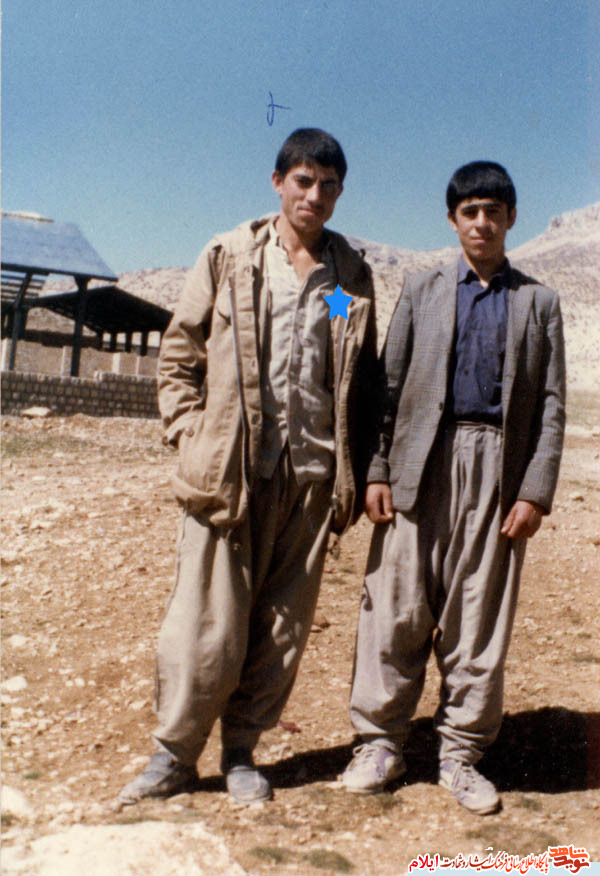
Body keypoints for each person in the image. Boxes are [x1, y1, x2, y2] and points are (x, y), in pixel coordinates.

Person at [119, 128, 376, 807]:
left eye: (328, 185)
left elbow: (356, 367)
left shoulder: (347, 277)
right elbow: (181, 352)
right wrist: (188, 435)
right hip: (230, 472)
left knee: (281, 626)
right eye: (303, 181)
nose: (314, 195)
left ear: (339, 193)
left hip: (311, 477)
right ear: (278, 182)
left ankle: (241, 753)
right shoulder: (231, 256)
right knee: (205, 621)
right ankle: (174, 755)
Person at [341, 161, 566, 815]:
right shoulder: (423, 288)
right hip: (420, 460)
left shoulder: (539, 303)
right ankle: (379, 743)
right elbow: (388, 384)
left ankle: (461, 754)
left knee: (478, 613)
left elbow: (551, 405)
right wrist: (377, 469)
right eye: (470, 212)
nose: (482, 223)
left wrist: (534, 490)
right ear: (452, 220)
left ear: (511, 218)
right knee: (396, 606)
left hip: (497, 468)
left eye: (494, 211)